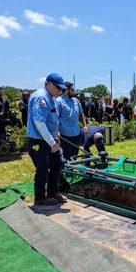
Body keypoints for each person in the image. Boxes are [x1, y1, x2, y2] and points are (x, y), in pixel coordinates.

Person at [27, 73, 68, 206]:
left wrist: (55, 137)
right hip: (40, 141)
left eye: (62, 89)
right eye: (57, 87)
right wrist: (51, 142)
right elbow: (39, 122)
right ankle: (40, 198)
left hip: (51, 140)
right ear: (48, 83)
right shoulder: (41, 97)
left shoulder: (51, 98)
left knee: (57, 164)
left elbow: (52, 120)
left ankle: (52, 192)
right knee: (43, 168)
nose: (60, 91)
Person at [56, 82, 88, 160]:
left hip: (76, 133)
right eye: (72, 89)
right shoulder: (58, 101)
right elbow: (55, 118)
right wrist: (57, 131)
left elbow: (81, 114)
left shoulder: (76, 101)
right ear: (66, 90)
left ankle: (72, 171)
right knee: (66, 156)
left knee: (74, 155)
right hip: (65, 134)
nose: (74, 91)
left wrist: (85, 125)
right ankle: (66, 171)